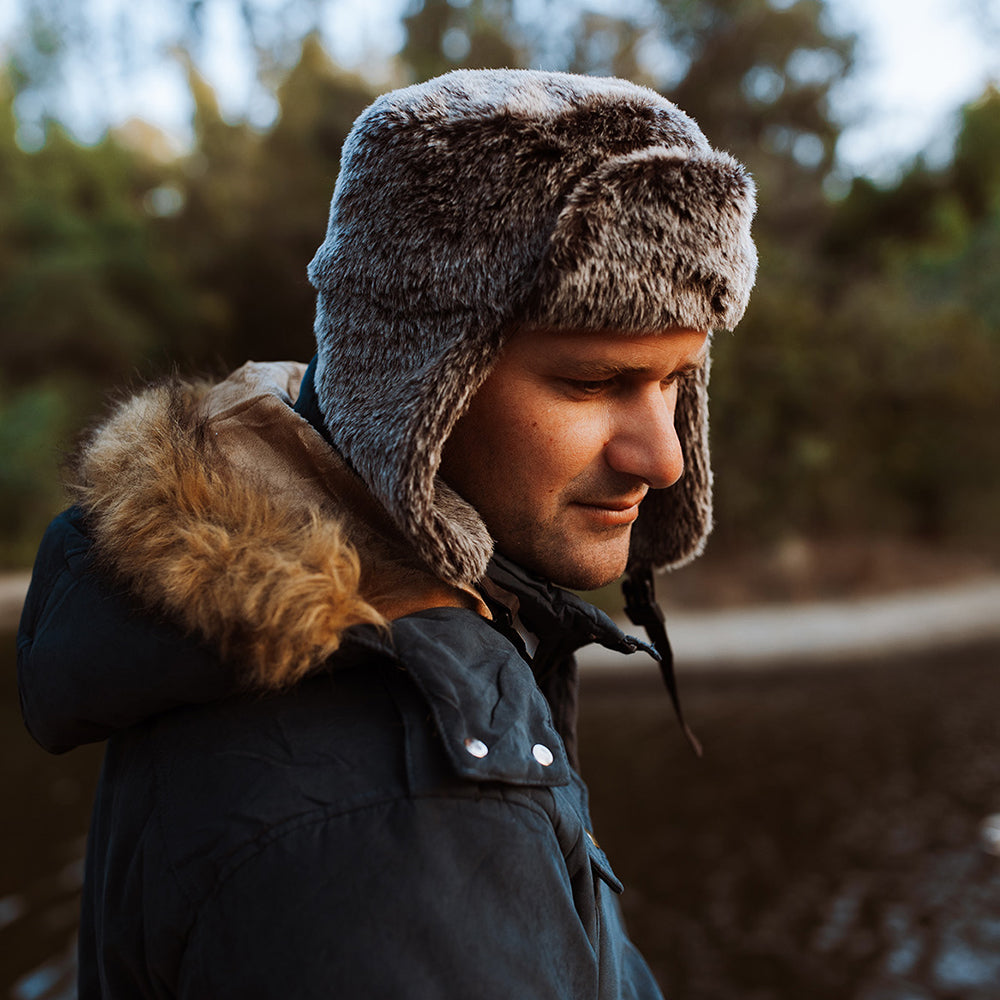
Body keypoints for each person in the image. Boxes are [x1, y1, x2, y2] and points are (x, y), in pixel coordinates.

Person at [17, 69, 756, 998]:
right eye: (594, 383)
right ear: (413, 385)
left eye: (676, 381)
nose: (665, 459)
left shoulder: (351, 646)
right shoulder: (398, 817)